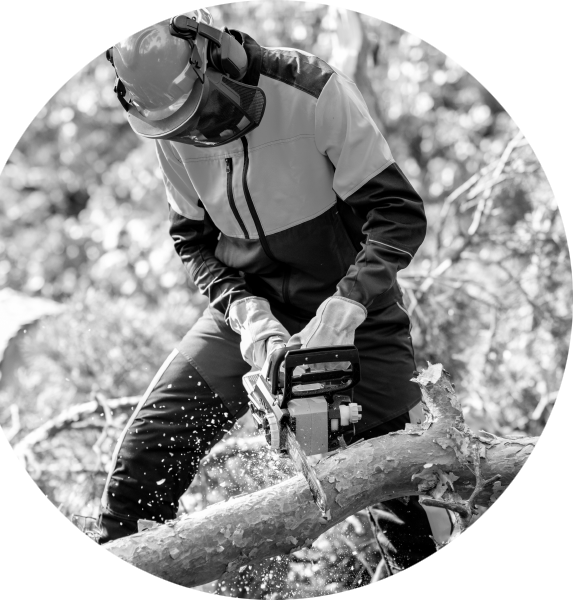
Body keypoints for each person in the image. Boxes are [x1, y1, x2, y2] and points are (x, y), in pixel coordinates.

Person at [99, 1, 469, 597]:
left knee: (417, 526)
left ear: (215, 53)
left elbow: (397, 215)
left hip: (354, 315)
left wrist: (348, 305)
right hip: (248, 310)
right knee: (144, 462)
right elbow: (192, 239)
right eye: (174, 125)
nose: (190, 131)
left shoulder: (312, 91)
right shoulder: (168, 122)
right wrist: (246, 315)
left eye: (196, 112)